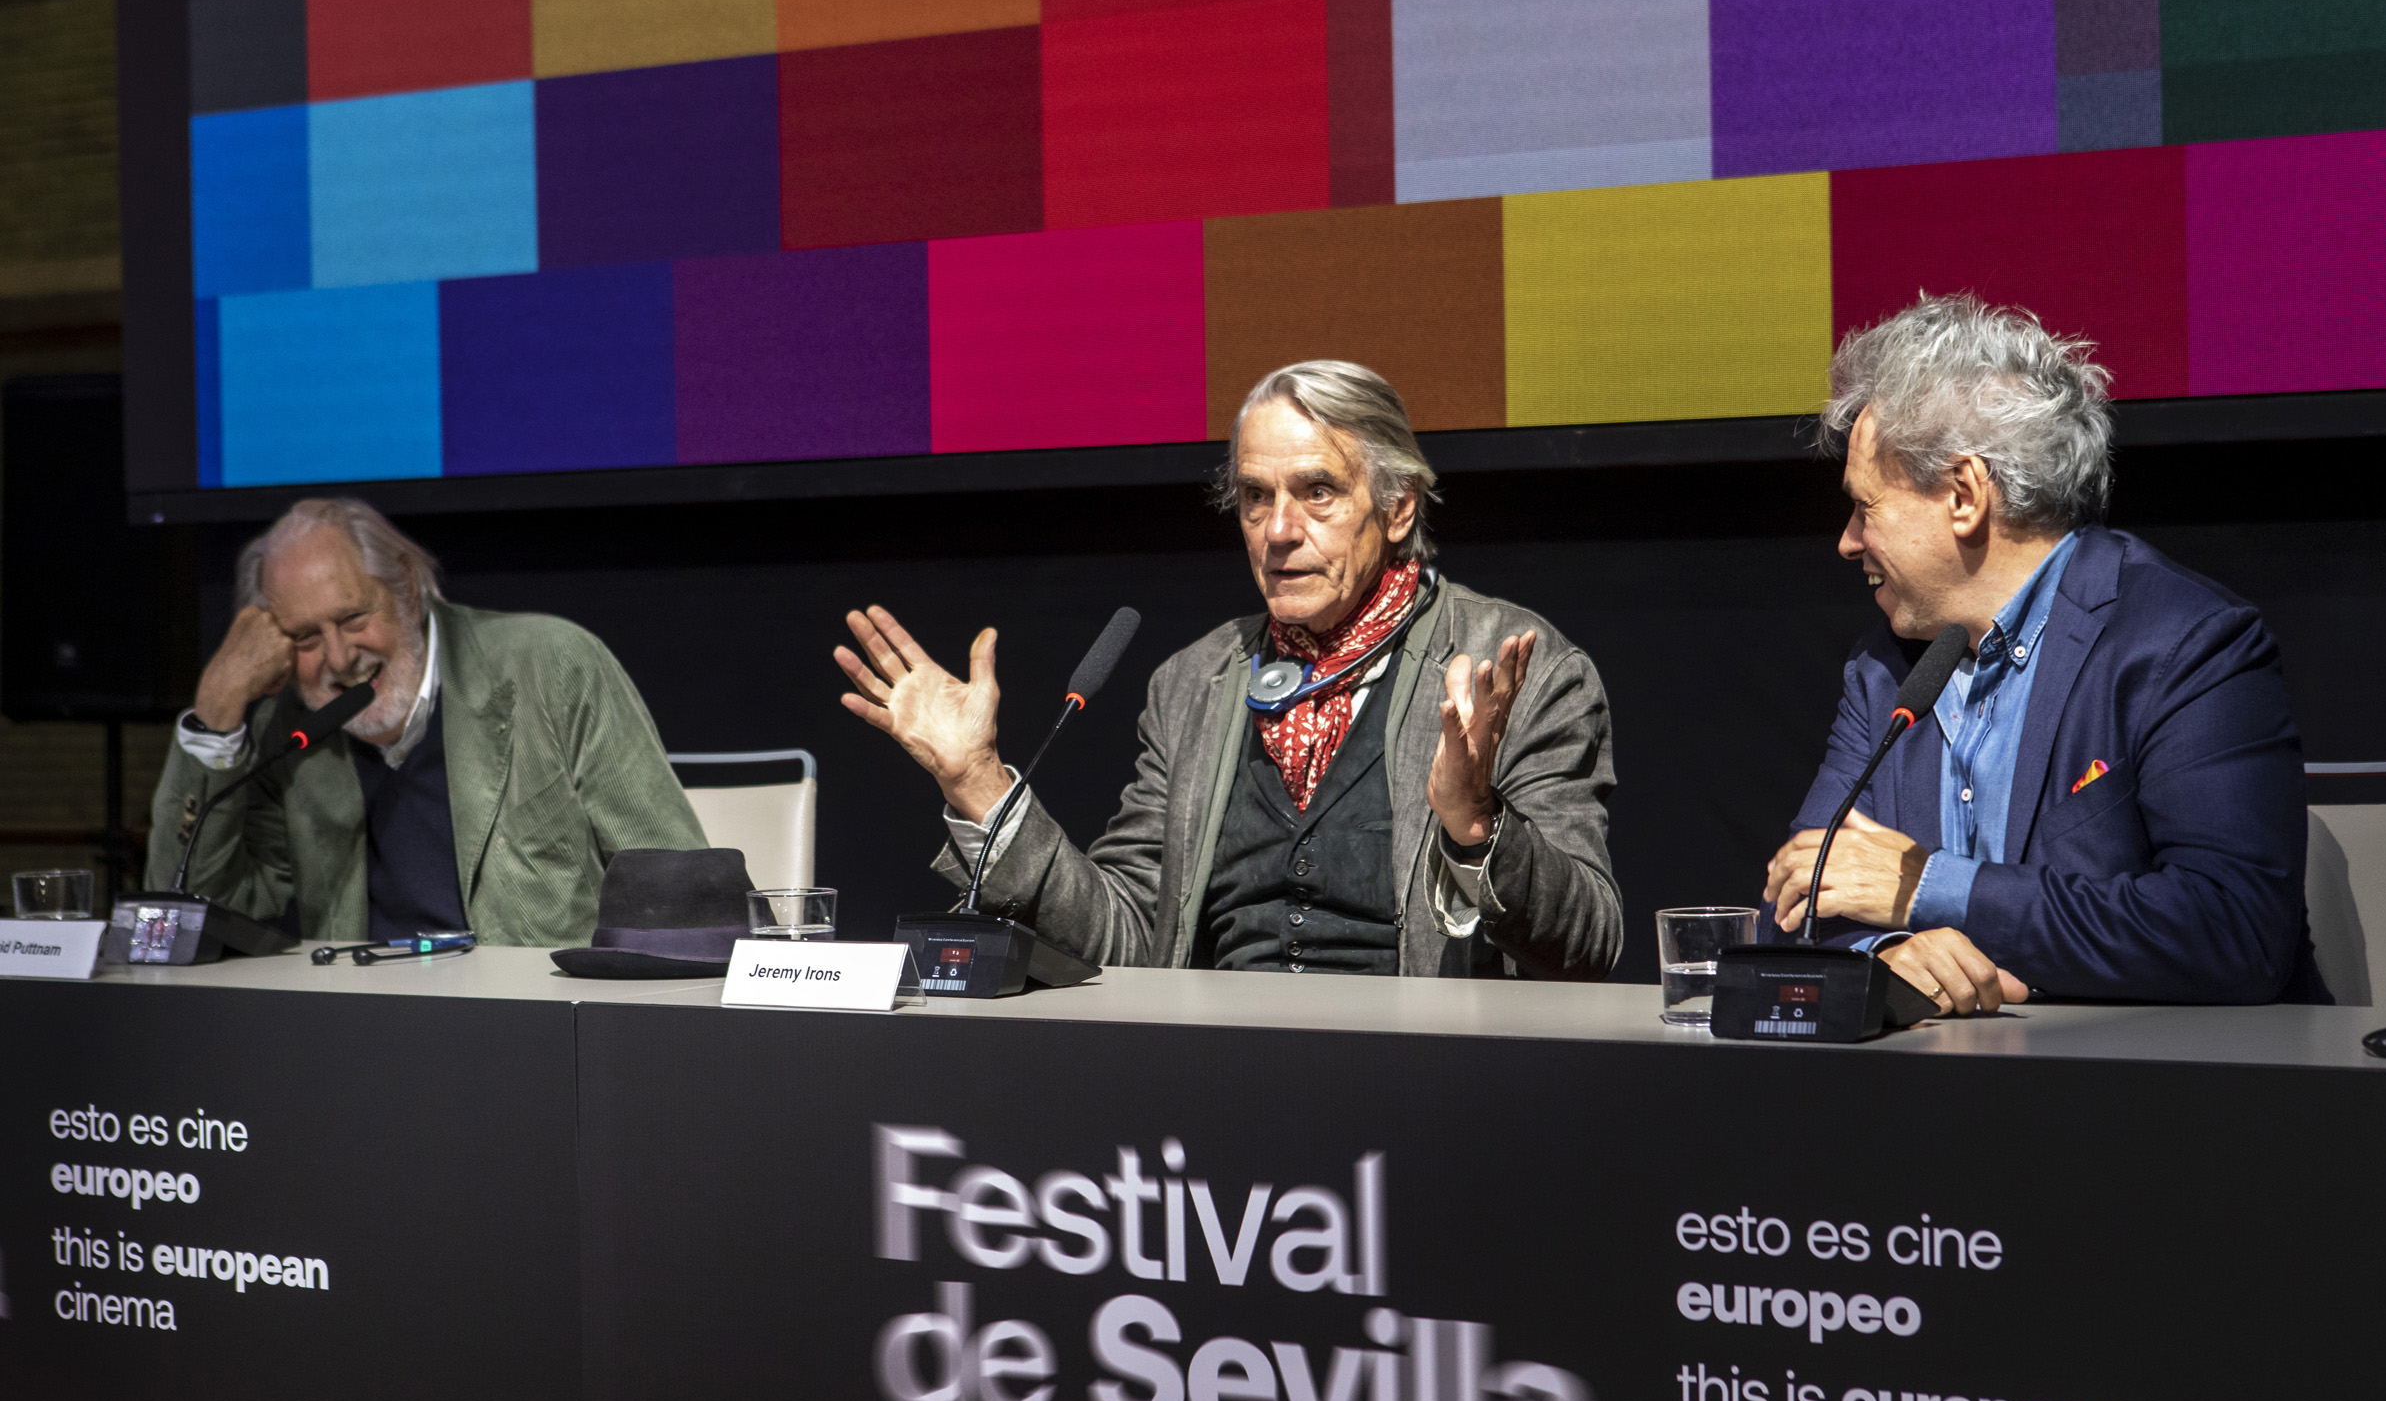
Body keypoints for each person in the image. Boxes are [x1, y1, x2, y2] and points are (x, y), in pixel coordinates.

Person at [836, 361, 1622, 979]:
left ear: (1399, 507)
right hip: (1217, 1100)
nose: (1279, 529)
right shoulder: (1194, 684)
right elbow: (1124, 940)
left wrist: (1476, 824)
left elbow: (1590, 942)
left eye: (1318, 491)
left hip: (1429, 1088)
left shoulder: (1517, 667)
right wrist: (977, 779)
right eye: (1254, 497)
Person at [1763, 297, 2325, 1010]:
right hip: (1938, 1099)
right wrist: (1889, 959)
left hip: (2167, 1099)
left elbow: (2233, 932)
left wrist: (1928, 887)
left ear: (1964, 495)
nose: (1847, 541)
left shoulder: (2185, 643)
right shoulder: (1885, 672)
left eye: (1864, 506)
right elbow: (1792, 904)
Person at [146, 498, 706, 946]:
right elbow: (184, 923)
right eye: (305, 638)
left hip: (536, 1026)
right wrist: (217, 711)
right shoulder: (287, 734)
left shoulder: (551, 666)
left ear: (406, 589)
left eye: (353, 618)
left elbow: (675, 888)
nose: (340, 660)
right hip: (361, 1035)